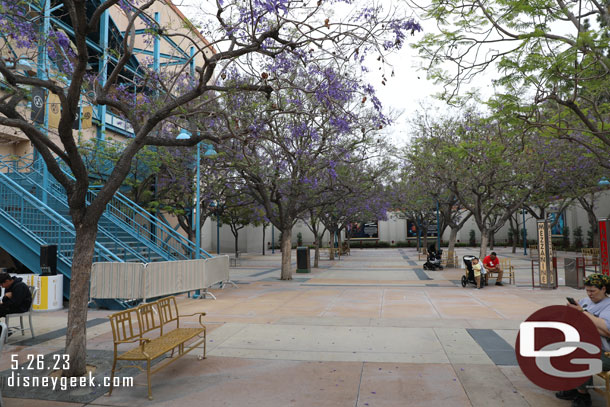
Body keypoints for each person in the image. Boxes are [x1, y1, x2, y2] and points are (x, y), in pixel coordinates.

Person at [557, 274, 610, 407]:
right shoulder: (585, 301)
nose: (590, 294)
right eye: (587, 290)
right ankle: (573, 387)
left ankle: (583, 395)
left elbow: (607, 330)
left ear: (603, 289)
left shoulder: (608, 306)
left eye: (593, 291)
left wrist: (583, 313)